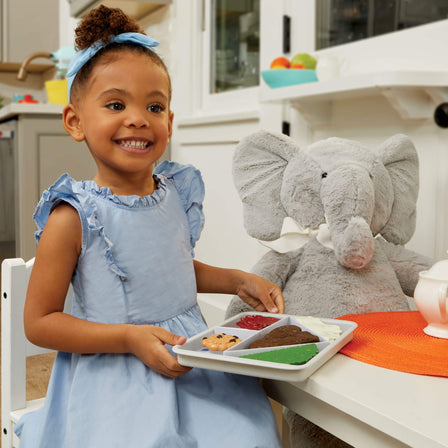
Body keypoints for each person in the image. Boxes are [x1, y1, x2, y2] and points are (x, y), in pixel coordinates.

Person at [15, 5, 284, 447]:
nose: (138, 117)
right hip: (115, 372)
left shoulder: (174, 194)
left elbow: (171, 269)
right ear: (75, 121)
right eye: (116, 104)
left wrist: (236, 280)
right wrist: (128, 338)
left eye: (154, 106)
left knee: (249, 432)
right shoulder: (74, 215)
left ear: (169, 122)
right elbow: (40, 323)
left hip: (190, 359)